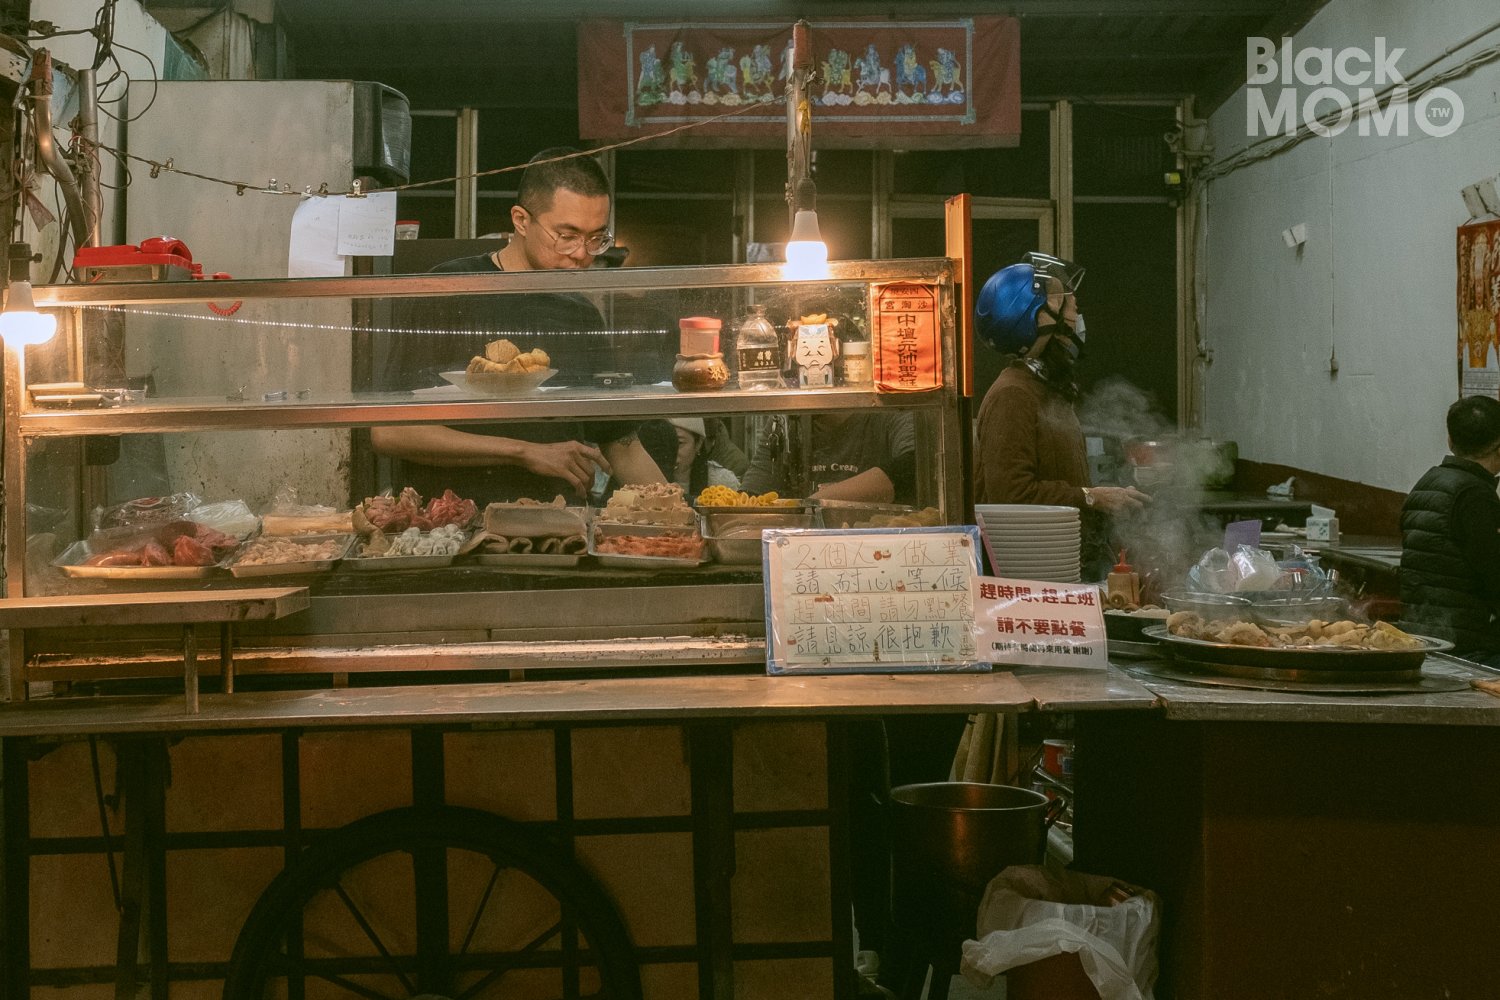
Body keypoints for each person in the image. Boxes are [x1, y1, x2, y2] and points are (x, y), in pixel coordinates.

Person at [372, 148, 665, 503]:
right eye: (567, 235)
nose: (583, 254)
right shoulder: (451, 289)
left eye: (595, 238)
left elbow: (622, 445)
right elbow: (389, 431)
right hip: (459, 525)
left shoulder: (580, 313)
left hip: (557, 528)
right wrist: (526, 452)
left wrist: (677, 511)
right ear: (521, 220)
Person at [973, 252, 1148, 576]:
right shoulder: (1013, 395)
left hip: (1058, 569)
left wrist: (1109, 498)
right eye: (1065, 301)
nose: (1076, 310)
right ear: (1037, 318)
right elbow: (1011, 495)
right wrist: (1093, 497)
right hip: (1026, 577)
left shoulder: (1044, 388)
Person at [1399, 396, 1500, 663]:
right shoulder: (1475, 495)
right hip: (1469, 644)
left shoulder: (1428, 481)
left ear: (1450, 441)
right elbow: (1493, 575)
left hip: (1424, 634)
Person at [741, 411, 916, 503]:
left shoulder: (887, 409)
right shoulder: (783, 421)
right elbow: (750, 496)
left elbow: (912, 467)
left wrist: (812, 505)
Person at [637, 417, 741, 497]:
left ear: (699, 443)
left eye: (679, 442)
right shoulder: (638, 479)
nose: (670, 451)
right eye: (663, 443)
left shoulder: (722, 484)